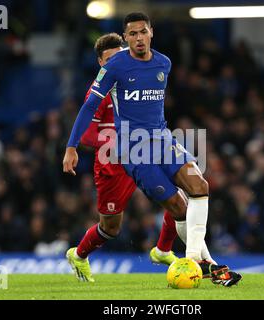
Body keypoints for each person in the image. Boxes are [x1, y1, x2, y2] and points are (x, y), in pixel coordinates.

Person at [64, 13, 241, 286]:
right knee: (139, 219)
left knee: (199, 185)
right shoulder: (113, 70)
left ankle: (193, 258)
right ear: (126, 38)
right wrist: (71, 146)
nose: (138, 38)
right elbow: (88, 109)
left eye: (142, 32)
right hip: (131, 152)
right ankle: (188, 258)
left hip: (161, 140)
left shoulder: (164, 63)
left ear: (151, 33)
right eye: (132, 34)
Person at [64, 33, 179, 282]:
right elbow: (87, 134)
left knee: (178, 193)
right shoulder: (98, 91)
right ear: (100, 63)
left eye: (120, 56)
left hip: (143, 151)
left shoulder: (136, 80)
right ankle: (79, 254)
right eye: (109, 59)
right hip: (112, 163)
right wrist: (115, 141)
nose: (116, 63)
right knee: (111, 228)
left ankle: (163, 249)